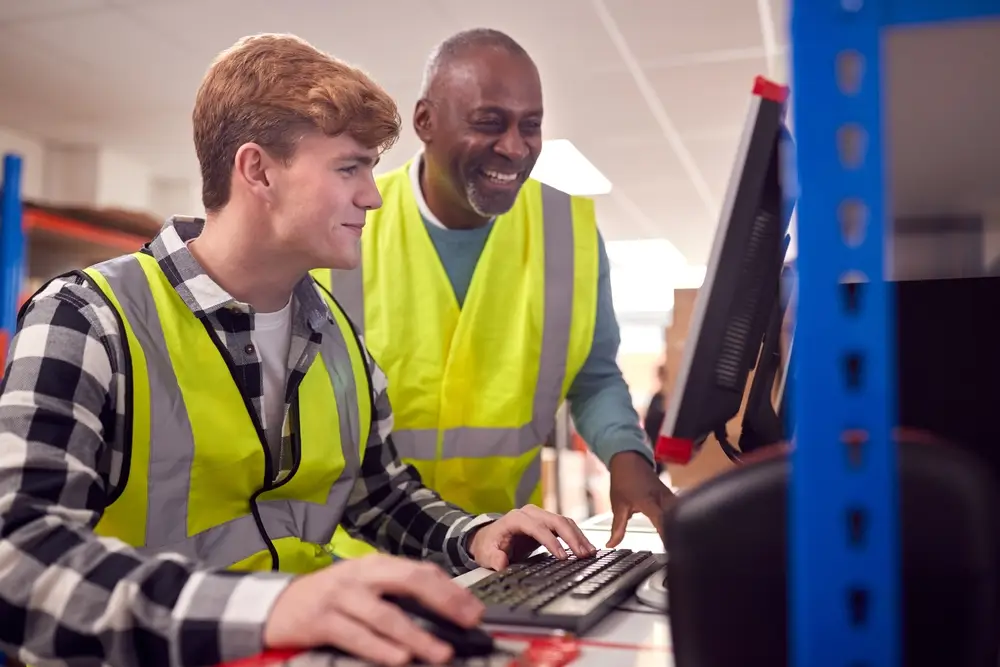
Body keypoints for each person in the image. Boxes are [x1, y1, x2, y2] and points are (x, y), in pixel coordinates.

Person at [0, 34, 597, 667]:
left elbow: (381, 494)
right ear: (257, 170)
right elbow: (16, 558)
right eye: (350, 167)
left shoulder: (339, 336)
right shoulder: (89, 318)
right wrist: (271, 610)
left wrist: (473, 536)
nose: (373, 194)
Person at [314, 28, 675, 557]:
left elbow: (592, 377)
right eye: (489, 122)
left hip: (507, 552)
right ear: (425, 122)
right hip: (365, 558)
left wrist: (630, 461)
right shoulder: (348, 224)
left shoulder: (567, 232)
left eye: (531, 126)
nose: (514, 146)